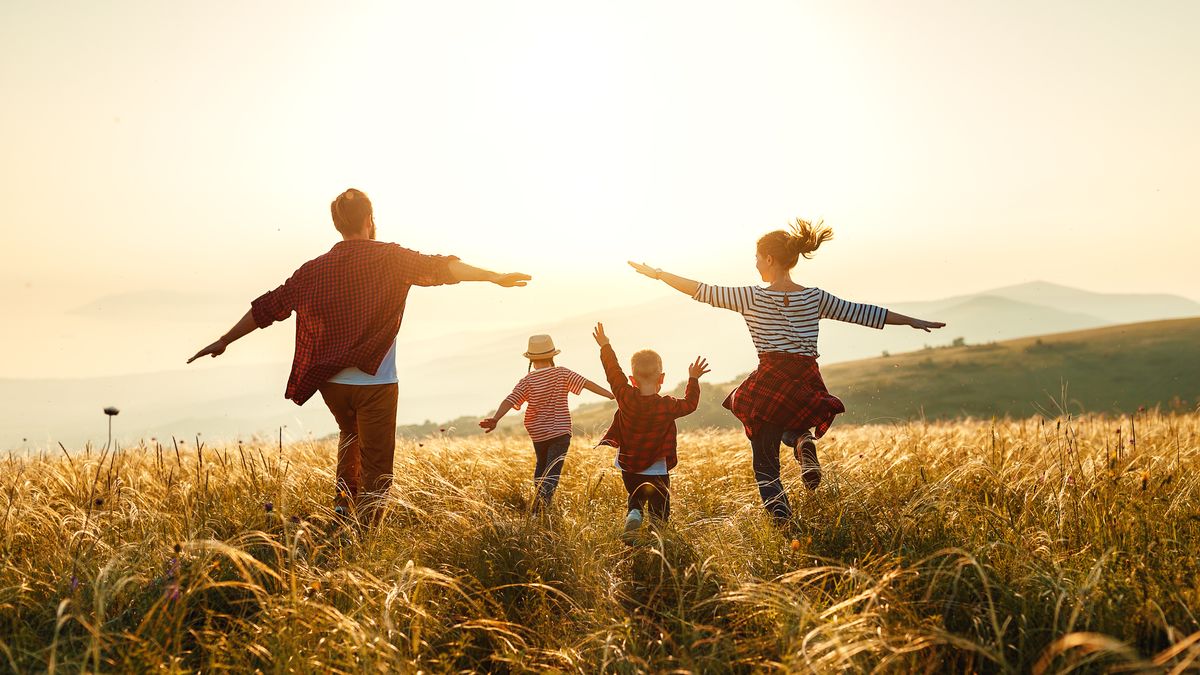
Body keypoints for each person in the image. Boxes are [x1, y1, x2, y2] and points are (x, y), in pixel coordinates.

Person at [187, 188, 530, 523]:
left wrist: (224, 339)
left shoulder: (313, 270)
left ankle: (342, 508)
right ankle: (365, 533)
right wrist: (493, 277)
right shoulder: (391, 258)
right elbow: (441, 268)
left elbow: (269, 307)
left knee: (349, 436)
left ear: (338, 224)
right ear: (369, 219)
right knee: (378, 464)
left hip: (331, 384)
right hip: (376, 383)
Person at [628, 218, 944, 524]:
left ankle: (784, 524)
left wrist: (658, 275)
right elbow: (863, 313)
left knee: (765, 465)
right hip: (806, 377)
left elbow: (701, 290)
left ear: (769, 258)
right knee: (793, 422)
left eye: (756, 258)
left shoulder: (751, 296)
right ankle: (803, 442)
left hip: (771, 377)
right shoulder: (815, 297)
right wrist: (913, 321)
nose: (754, 264)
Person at [591, 322, 708, 544]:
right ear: (661, 378)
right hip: (657, 466)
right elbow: (690, 404)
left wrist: (605, 345)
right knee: (659, 507)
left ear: (632, 379)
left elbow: (613, 372)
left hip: (629, 464)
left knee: (635, 496)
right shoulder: (667, 405)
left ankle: (634, 513)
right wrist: (693, 379)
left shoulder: (625, 396)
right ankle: (657, 538)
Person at [479, 334, 613, 511]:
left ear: (532, 360)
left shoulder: (527, 381)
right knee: (552, 471)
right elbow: (587, 384)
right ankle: (541, 507)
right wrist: (611, 394)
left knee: (541, 467)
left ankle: (538, 505)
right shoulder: (562, 373)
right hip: (560, 432)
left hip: (538, 434)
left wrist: (496, 419)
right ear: (552, 356)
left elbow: (510, 400)